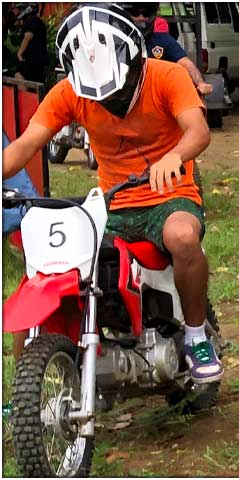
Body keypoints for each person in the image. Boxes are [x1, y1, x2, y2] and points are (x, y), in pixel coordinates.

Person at [2, 4, 223, 383]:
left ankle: (196, 335)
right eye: (99, 96)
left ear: (135, 61)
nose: (109, 101)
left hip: (170, 196)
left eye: (117, 91)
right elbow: (26, 145)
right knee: (52, 266)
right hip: (112, 204)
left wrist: (174, 156)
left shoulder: (167, 76)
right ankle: (29, 386)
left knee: (182, 237)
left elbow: (197, 130)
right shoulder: (70, 92)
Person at [120, 2, 213, 96]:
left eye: (146, 14)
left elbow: (186, 63)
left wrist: (200, 83)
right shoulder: (114, 41)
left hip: (156, 98)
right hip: (123, 100)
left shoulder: (162, 39)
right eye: (135, 13)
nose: (141, 18)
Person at [10, 2, 47, 83]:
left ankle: (22, 95)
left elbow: (28, 36)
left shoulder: (32, 21)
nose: (18, 11)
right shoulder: (38, 22)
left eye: (20, 9)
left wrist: (19, 53)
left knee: (18, 75)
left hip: (32, 61)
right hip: (38, 62)